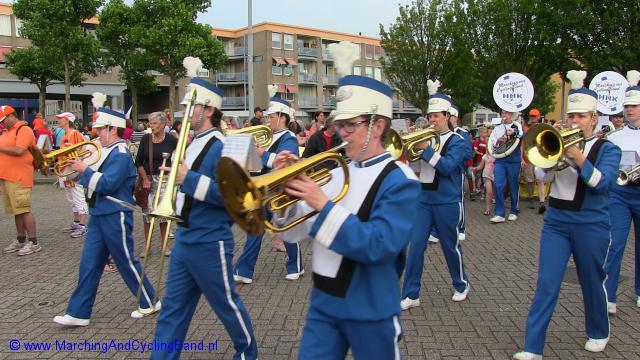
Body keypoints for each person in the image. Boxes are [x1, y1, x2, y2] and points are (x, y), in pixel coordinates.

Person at [273, 68, 421, 359]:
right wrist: (287, 193)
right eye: (340, 125)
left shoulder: (401, 180)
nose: (341, 133)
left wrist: (322, 205)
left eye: (350, 125)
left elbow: (377, 245)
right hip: (323, 304)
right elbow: (293, 232)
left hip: (372, 308)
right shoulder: (334, 175)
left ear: (378, 126)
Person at [513, 71, 621, 360]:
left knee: (591, 280)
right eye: (572, 116)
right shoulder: (559, 141)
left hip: (592, 223)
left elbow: (603, 183)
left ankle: (599, 331)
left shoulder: (609, 149)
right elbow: (541, 173)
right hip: (557, 222)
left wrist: (577, 157)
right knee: (547, 283)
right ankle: (532, 346)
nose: (575, 122)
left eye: (582, 116)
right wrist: (551, 159)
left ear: (594, 117)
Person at [151, 75, 257, 360]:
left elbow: (235, 198)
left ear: (208, 109)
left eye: (191, 107)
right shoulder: (190, 142)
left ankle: (248, 353)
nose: (185, 112)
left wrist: (188, 179)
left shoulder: (226, 145)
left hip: (211, 241)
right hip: (185, 238)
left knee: (227, 306)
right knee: (172, 311)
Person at [53, 106, 158, 327]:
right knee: (89, 264)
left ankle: (149, 301)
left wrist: (85, 168)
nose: (96, 133)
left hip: (115, 213)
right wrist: (74, 167)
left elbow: (107, 184)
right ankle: (79, 312)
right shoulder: (103, 150)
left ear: (112, 129)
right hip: (99, 212)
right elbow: (87, 176)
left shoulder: (119, 153)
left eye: (100, 129)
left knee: (126, 261)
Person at [401, 79, 470, 310]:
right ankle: (411, 293)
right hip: (423, 201)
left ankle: (461, 283)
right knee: (415, 246)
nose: (432, 120)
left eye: (436, 116)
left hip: (446, 201)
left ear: (448, 116)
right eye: (430, 117)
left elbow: (448, 167)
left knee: (450, 247)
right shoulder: (426, 139)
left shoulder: (458, 141)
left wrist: (425, 150)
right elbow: (417, 170)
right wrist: (410, 154)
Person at [233, 97, 304, 283]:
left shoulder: (289, 138)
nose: (267, 120)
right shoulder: (269, 137)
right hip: (262, 190)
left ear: (282, 117)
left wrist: (262, 154)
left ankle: (296, 265)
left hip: (281, 191)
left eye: (271, 116)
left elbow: (285, 163)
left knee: (286, 228)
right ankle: (244, 270)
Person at [603, 69, 640, 314]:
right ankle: (609, 295)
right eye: (626, 106)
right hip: (619, 193)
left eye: (634, 106)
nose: (628, 110)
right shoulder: (615, 136)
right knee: (614, 243)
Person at [135, 112, 178, 257]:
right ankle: (147, 246)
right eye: (150, 123)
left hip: (164, 180)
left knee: (163, 214)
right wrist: (144, 179)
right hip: (147, 179)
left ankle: (164, 245)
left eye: (154, 123)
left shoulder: (171, 139)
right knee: (147, 213)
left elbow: (180, 157)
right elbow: (139, 161)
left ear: (163, 125)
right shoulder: (146, 139)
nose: (151, 126)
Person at [0, 105, 40, 256]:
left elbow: (20, 150)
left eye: (3, 120)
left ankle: (34, 241)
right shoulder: (7, 131)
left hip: (19, 176)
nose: (2, 123)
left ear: (11, 116)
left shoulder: (23, 129)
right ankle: (21, 239)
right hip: (8, 177)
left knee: (24, 209)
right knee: (17, 211)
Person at [55, 112, 89, 238]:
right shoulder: (65, 134)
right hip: (65, 168)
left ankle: (82, 224)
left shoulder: (74, 133)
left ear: (67, 120)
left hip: (72, 168)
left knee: (77, 195)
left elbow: (79, 151)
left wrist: (72, 148)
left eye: (61, 118)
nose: (58, 120)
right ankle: (76, 221)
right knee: (70, 196)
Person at [490, 109, 524, 223]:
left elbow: (520, 134)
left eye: (507, 113)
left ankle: (514, 210)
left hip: (514, 160)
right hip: (500, 160)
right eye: (503, 113)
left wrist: (512, 133)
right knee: (498, 184)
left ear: (512, 114)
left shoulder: (517, 125)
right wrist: (500, 140)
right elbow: (493, 144)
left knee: (513, 185)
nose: (505, 115)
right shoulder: (497, 128)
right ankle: (499, 213)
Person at [449, 104, 473, 241]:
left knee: (459, 199)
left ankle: (462, 227)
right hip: (444, 171)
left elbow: (468, 154)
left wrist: (454, 162)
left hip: (457, 171)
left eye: (450, 117)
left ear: (455, 118)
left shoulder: (462, 133)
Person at [522, 109, 542, 209]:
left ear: (539, 117)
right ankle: (531, 197)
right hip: (528, 157)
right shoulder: (525, 128)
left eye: (534, 116)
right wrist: (522, 157)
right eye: (531, 116)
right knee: (529, 179)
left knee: (540, 178)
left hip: (540, 157)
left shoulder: (542, 128)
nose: (532, 117)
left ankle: (541, 198)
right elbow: (522, 143)